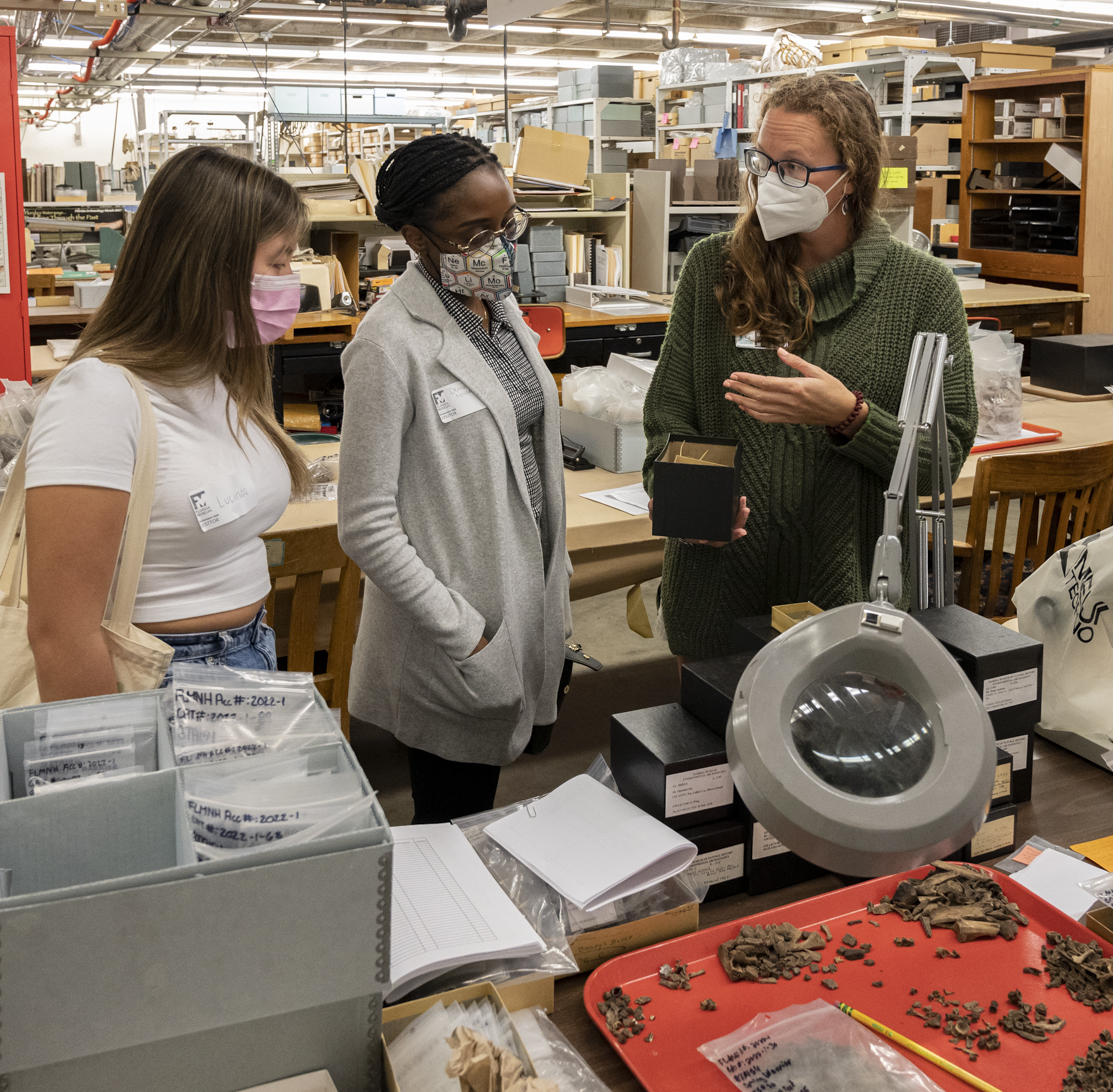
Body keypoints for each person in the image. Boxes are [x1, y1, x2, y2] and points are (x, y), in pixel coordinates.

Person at [641, 73, 976, 660]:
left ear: (851, 177)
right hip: (716, 588)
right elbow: (669, 417)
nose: (770, 182)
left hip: (847, 599)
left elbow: (938, 465)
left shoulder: (921, 289)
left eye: (793, 168)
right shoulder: (712, 269)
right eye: (762, 161)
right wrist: (676, 499)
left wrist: (850, 417)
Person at [338, 133, 571, 823]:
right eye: (475, 233)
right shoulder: (387, 342)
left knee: (492, 805)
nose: (498, 246)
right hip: (459, 628)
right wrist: (463, 632)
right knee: (450, 822)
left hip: (529, 600)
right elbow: (366, 525)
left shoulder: (501, 309)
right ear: (416, 236)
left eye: (507, 226)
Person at [24, 146, 310, 700]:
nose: (290, 279)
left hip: (247, 653)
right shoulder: (99, 396)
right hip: (160, 677)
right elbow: (61, 635)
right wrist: (112, 772)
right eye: (277, 261)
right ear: (209, 265)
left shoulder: (220, 371)